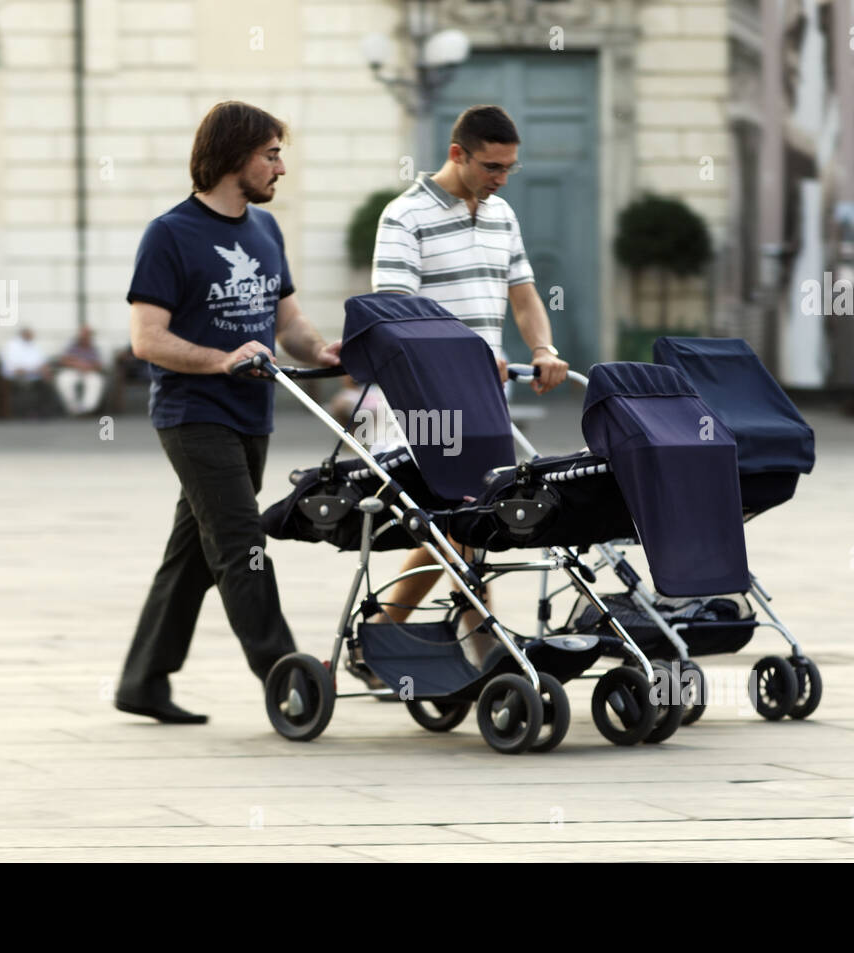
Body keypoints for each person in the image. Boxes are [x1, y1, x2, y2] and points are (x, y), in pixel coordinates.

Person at [115, 101, 341, 724]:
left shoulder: (265, 232)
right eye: (271, 154)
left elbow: (286, 318)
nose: (281, 168)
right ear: (234, 155)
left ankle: (143, 681)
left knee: (195, 550)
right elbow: (147, 337)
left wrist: (321, 350)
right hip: (193, 414)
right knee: (242, 542)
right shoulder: (170, 234)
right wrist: (220, 360)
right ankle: (288, 678)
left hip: (253, 414)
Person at [364, 104, 570, 673]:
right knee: (463, 518)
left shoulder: (502, 214)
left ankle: (385, 636)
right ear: (458, 154)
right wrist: (467, 355)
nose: (501, 178)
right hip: (426, 400)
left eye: (510, 168)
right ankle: (486, 647)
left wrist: (543, 351)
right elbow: (398, 318)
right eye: (492, 166)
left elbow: (524, 296)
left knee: (463, 522)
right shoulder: (403, 217)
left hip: (486, 397)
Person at [0, 327, 54, 417]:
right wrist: (32, 371)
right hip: (17, 377)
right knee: (26, 385)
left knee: (48, 383)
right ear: (24, 334)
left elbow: (43, 362)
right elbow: (12, 368)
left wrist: (45, 371)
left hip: (36, 376)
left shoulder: (33, 346)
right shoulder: (12, 346)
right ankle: (29, 412)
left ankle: (43, 411)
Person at [54, 325, 107, 415]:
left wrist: (89, 367)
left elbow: (100, 365)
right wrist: (78, 364)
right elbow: (62, 360)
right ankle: (73, 408)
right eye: (83, 334)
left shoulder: (95, 348)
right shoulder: (71, 345)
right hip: (73, 371)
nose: (85, 336)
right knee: (64, 379)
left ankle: (87, 409)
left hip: (90, 371)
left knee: (96, 381)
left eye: (87, 334)